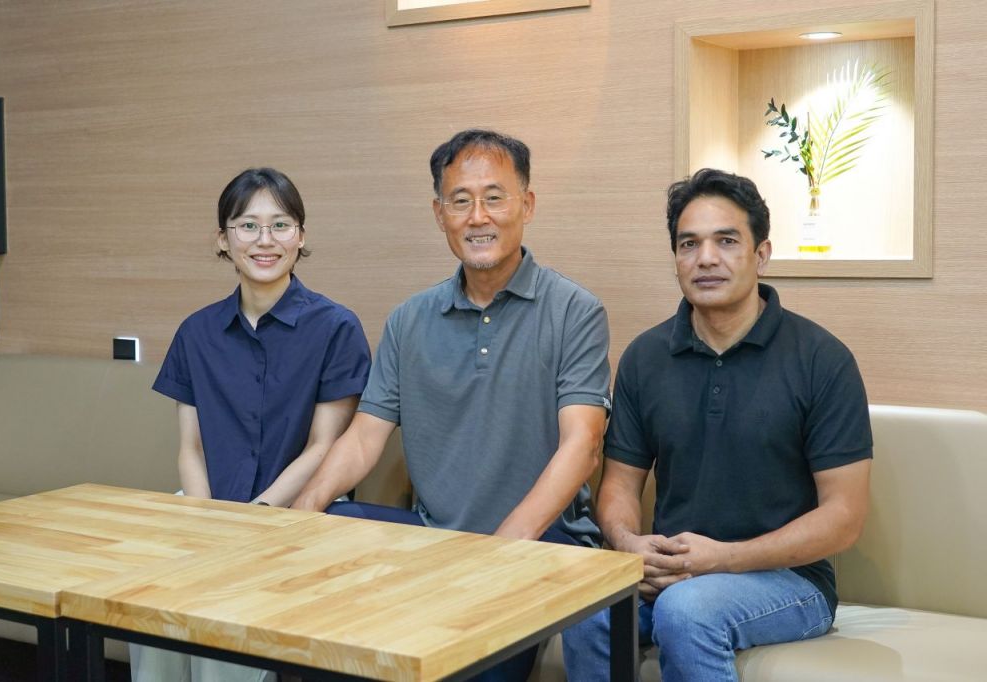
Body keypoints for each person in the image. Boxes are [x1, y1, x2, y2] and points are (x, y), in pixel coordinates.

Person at [293, 129, 611, 680]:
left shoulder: (574, 310)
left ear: (527, 205)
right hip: (434, 537)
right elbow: (365, 437)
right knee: (328, 537)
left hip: (541, 544)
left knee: (468, 661)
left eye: (495, 197)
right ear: (440, 214)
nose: (477, 217)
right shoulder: (408, 319)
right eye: (460, 200)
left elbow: (582, 446)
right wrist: (305, 509)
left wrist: (497, 554)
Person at [563, 168, 873, 682]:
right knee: (582, 604)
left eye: (726, 241)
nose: (706, 258)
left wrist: (722, 559)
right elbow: (619, 484)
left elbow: (845, 516)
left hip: (790, 582)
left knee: (686, 610)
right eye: (689, 244)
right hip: (674, 574)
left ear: (761, 254)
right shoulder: (645, 357)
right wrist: (629, 544)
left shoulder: (822, 359)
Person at [133, 167, 371, 682]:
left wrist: (255, 518)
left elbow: (323, 447)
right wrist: (207, 520)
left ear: (300, 236)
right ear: (223, 240)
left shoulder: (336, 327)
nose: (265, 240)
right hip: (205, 507)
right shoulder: (196, 331)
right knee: (146, 601)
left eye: (280, 225)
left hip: (298, 514)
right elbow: (191, 449)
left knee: (225, 620)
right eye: (247, 226)